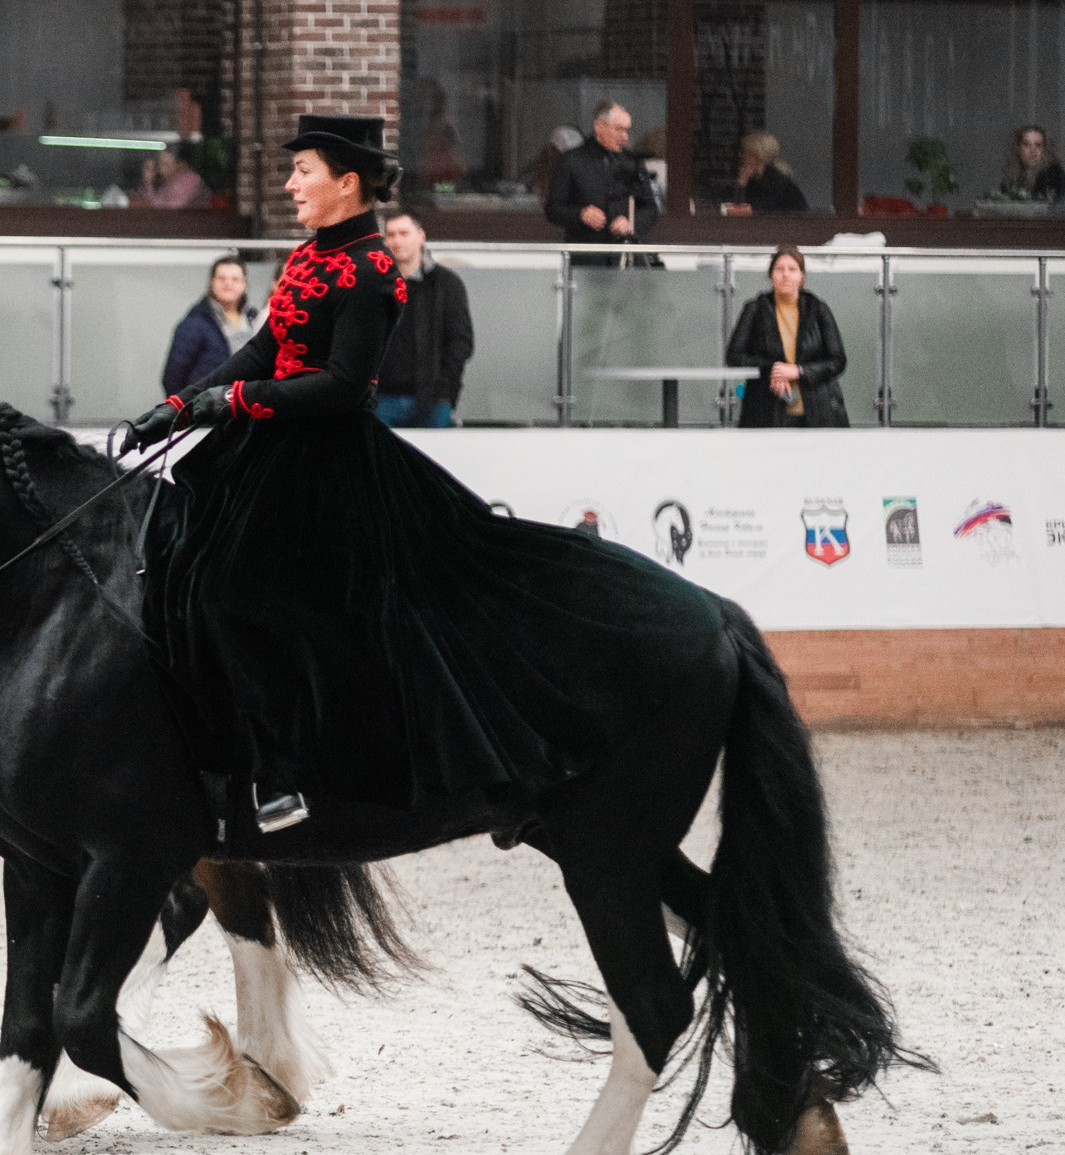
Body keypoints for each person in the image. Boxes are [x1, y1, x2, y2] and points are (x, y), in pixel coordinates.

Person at [127, 112, 724, 835]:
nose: (289, 184)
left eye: (302, 172)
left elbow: (345, 386)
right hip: (262, 445)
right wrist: (182, 407)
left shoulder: (374, 272)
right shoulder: (306, 258)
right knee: (183, 572)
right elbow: (261, 352)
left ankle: (284, 772)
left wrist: (238, 402)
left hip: (324, 459)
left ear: (346, 183)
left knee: (263, 596)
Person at [725, 244, 848, 428]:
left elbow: (838, 360)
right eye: (779, 269)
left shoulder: (817, 308)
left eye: (792, 269)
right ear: (770, 275)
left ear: (802, 276)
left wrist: (799, 371)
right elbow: (733, 356)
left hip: (818, 411)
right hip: (765, 411)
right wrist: (773, 369)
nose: (786, 275)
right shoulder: (755, 309)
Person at [374, 208, 473, 429]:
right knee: (382, 463)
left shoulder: (446, 284)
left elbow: (461, 341)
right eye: (391, 235)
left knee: (430, 462)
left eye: (404, 233)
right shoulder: (376, 284)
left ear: (421, 236)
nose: (397, 240)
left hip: (432, 399)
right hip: (381, 398)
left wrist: (444, 390)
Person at [544, 101, 657, 262]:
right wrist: (580, 215)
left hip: (624, 257)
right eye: (619, 129)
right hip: (586, 257)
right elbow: (553, 209)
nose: (625, 137)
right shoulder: (571, 161)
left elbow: (650, 207)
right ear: (599, 126)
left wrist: (631, 223)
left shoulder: (633, 162)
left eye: (627, 130)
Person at [161, 255, 261, 396]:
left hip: (247, 406)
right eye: (222, 278)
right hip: (206, 409)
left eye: (235, 279)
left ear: (244, 284)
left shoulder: (254, 319)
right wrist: (184, 412)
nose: (228, 284)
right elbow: (173, 377)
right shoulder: (195, 323)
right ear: (211, 283)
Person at [724, 131, 807, 215]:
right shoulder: (753, 182)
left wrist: (741, 185)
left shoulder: (777, 182)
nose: (742, 157)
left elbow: (759, 209)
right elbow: (731, 208)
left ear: (757, 156)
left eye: (745, 153)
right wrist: (741, 184)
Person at [998, 125, 1065, 201]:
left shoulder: (1055, 176)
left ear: (1045, 149)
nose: (1033, 151)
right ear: (1018, 148)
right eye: (1026, 145)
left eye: (1038, 145)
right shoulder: (1011, 178)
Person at [138, 148, 209, 208]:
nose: (161, 168)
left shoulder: (190, 179)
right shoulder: (165, 179)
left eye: (166, 164)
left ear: (181, 165)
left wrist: (148, 203)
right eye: (160, 163)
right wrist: (149, 181)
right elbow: (153, 199)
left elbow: (175, 207)